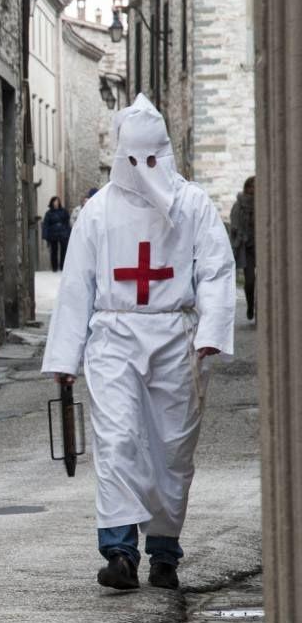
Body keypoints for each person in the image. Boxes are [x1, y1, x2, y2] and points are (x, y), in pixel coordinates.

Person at [42, 95, 235, 592]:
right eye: (135, 160)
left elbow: (214, 270)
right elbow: (77, 284)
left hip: (176, 336)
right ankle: (120, 551)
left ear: (165, 155)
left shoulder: (192, 204)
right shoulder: (98, 211)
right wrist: (65, 357)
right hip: (114, 336)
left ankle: (165, 551)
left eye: (153, 159)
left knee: (171, 448)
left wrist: (211, 331)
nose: (144, 170)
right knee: (117, 439)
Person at [229, 176, 256, 321]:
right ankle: (250, 305)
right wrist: (239, 235)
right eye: (251, 187)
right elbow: (234, 224)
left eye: (255, 187)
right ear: (246, 188)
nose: (253, 190)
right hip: (247, 248)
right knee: (250, 280)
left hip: (262, 247)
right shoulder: (239, 205)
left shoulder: (265, 204)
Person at [42, 196, 71, 271]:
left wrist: (68, 232)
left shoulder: (64, 211)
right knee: (54, 251)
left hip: (63, 233)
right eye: (54, 202)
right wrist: (45, 236)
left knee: (64, 251)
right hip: (53, 233)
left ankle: (63, 267)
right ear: (52, 203)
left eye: (57, 201)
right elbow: (46, 224)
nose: (56, 203)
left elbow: (67, 223)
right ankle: (54, 267)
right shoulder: (48, 213)